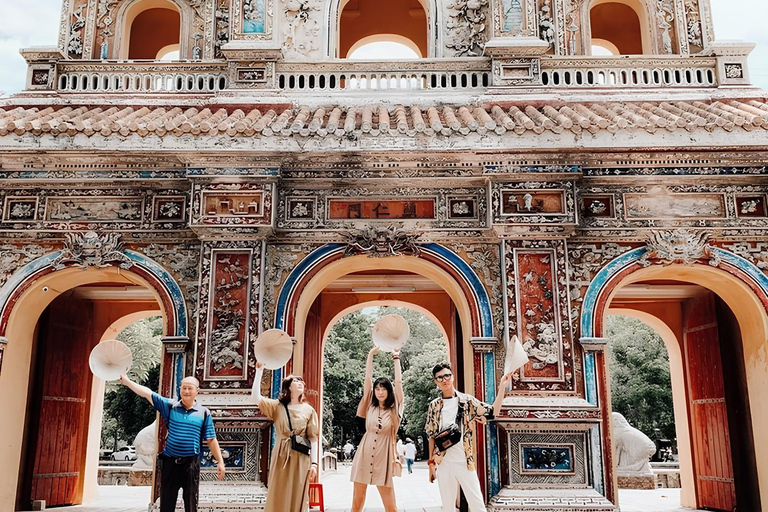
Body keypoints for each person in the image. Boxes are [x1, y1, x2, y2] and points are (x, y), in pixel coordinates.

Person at [119, 375, 225, 512]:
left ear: (197, 391)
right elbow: (147, 393)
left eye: (189, 388)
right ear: (180, 389)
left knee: (191, 504)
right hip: (170, 464)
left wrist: (220, 462)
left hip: (191, 465)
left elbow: (211, 439)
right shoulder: (170, 406)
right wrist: (127, 382)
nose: (186, 391)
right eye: (184, 388)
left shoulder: (204, 413)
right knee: (167, 504)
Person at [424, 363, 511, 512]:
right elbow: (431, 435)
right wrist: (431, 465)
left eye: (447, 376)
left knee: (477, 504)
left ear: (452, 377)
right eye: (440, 378)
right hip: (443, 462)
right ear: (436, 381)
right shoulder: (434, 405)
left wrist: (502, 386)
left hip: (464, 461)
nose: (445, 380)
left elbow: (492, 412)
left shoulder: (466, 401)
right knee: (447, 507)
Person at [252, 361, 319, 512]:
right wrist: (259, 371)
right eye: (296, 381)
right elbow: (256, 398)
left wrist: (314, 463)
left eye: (301, 381)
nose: (300, 383)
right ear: (288, 387)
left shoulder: (309, 410)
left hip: (301, 456)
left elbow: (313, 438)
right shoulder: (277, 406)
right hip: (281, 454)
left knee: (299, 492)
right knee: (279, 491)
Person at [350, 346, 404, 512]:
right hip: (364, 453)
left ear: (389, 391)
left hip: (384, 455)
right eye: (377, 388)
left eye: (384, 388)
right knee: (357, 503)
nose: (380, 392)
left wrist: (396, 359)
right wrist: (370, 354)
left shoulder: (395, 409)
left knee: (391, 507)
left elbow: (398, 383)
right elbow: (367, 378)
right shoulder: (370, 405)